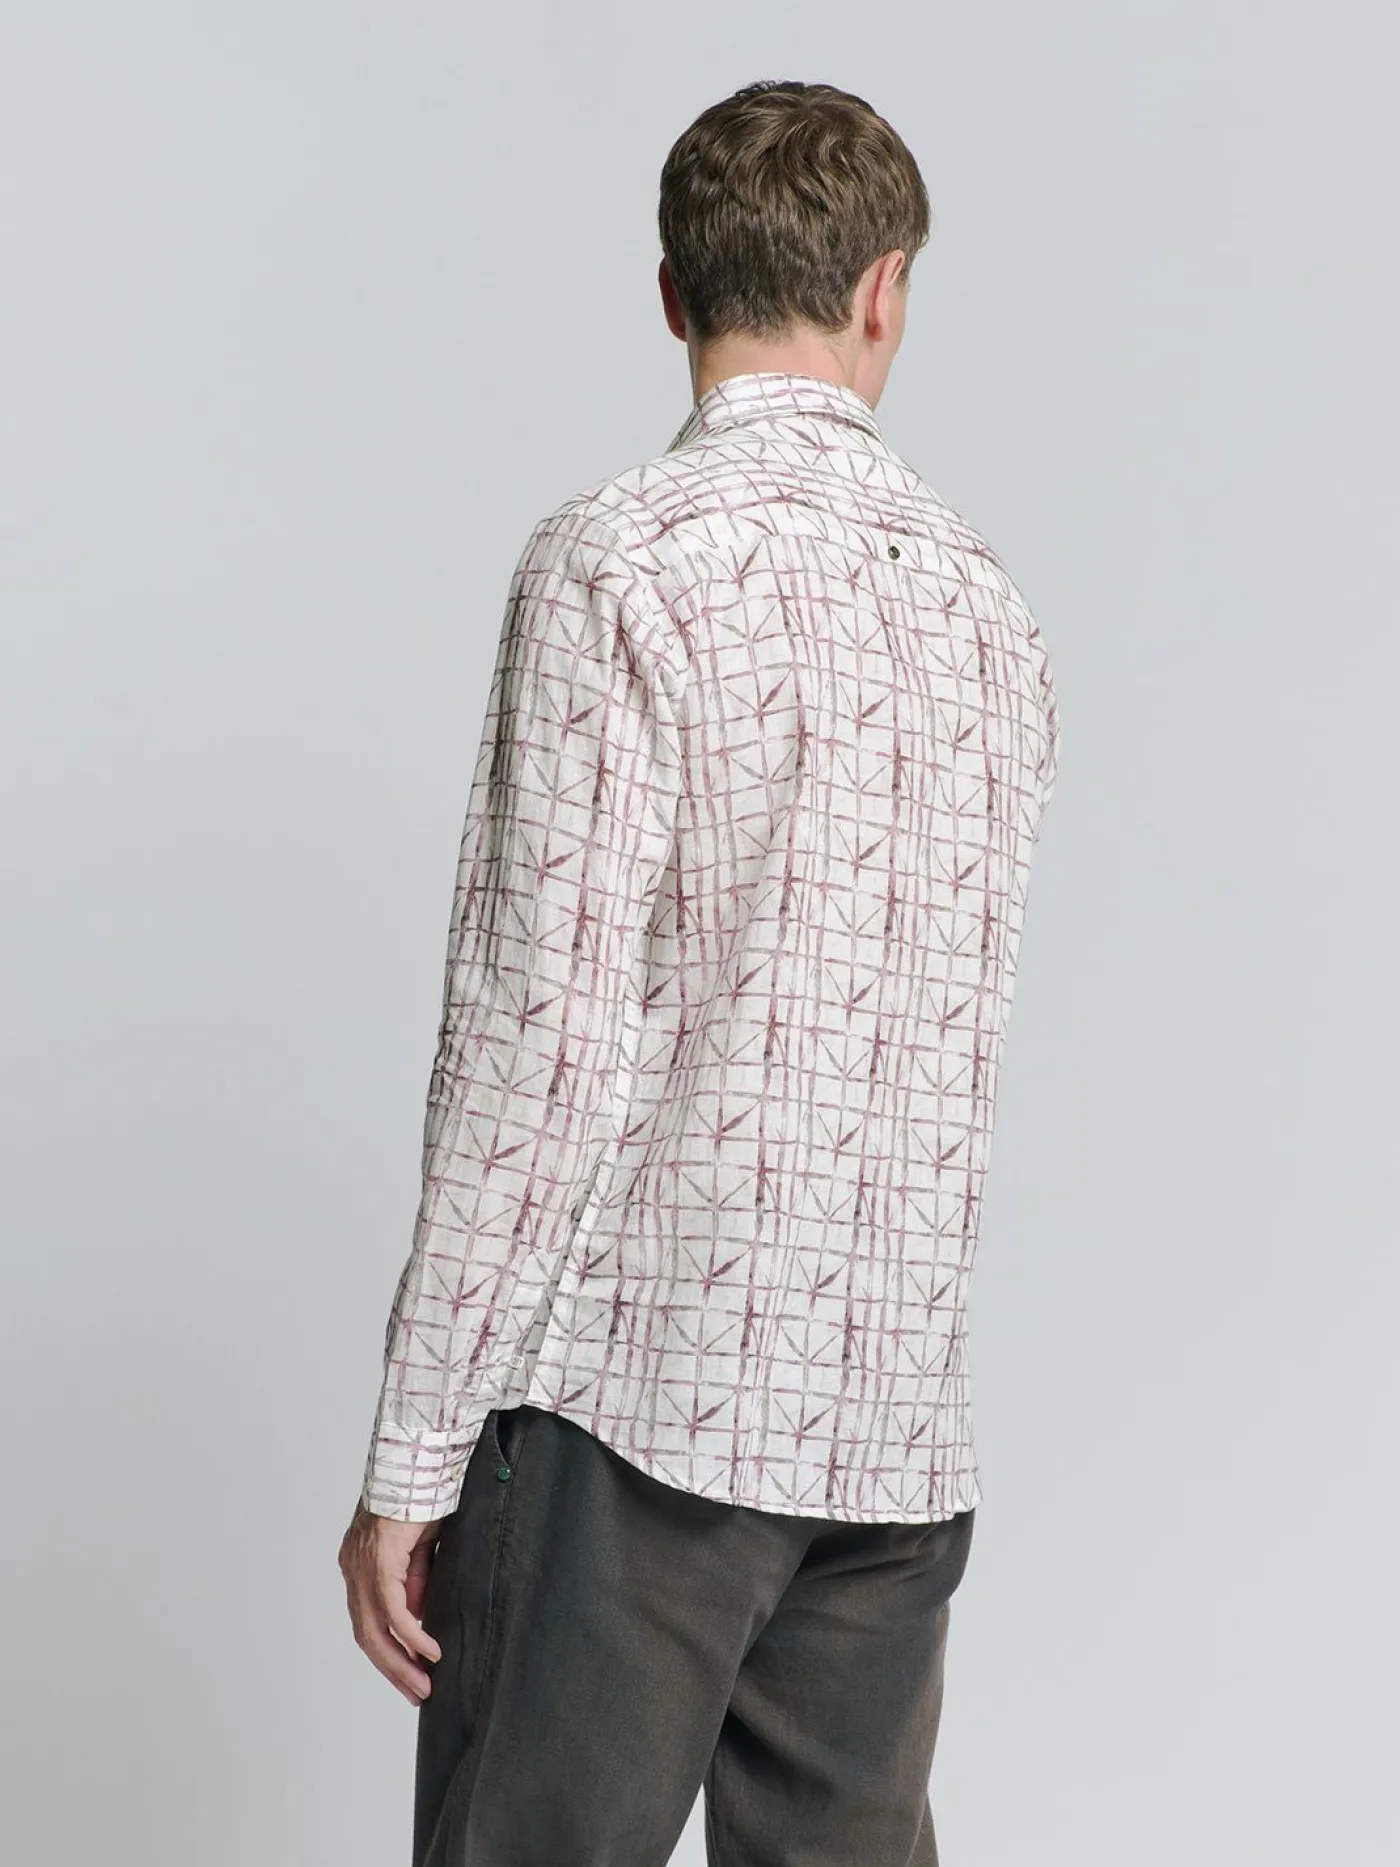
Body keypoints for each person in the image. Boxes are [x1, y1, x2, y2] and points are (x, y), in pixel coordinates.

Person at [339, 76, 1060, 1867]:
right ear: (885, 291)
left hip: (641, 1412)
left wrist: (413, 1453)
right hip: (891, 1436)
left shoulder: (621, 563)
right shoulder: (987, 606)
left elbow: (540, 1041)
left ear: (673, 292)